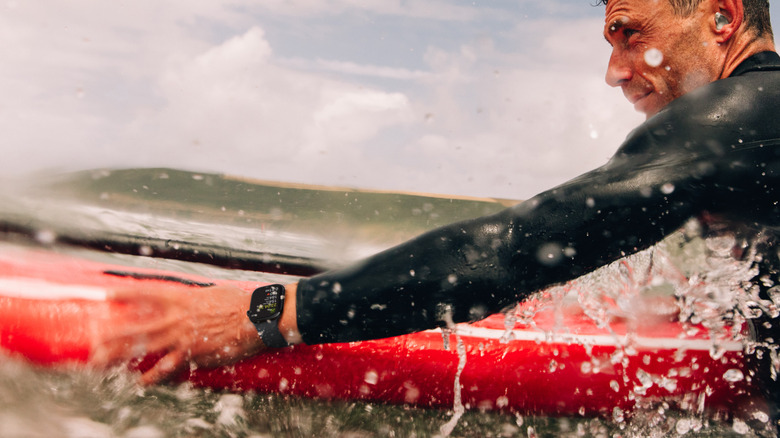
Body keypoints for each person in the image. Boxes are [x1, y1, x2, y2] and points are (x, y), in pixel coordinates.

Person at [94, 0, 780, 416]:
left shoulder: (735, 119)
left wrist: (263, 313)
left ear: (722, 18)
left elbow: (510, 252)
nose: (615, 71)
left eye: (629, 33)